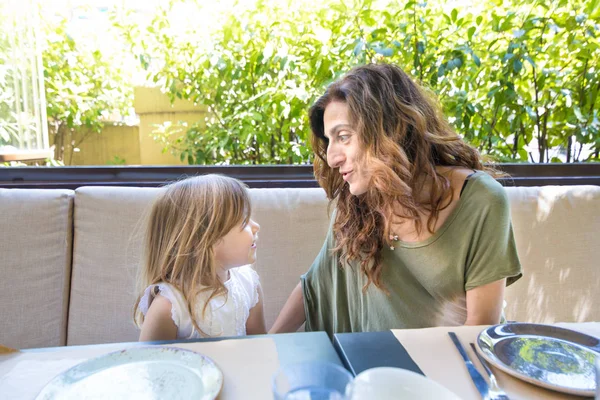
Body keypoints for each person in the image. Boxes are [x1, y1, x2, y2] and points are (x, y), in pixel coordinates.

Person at [270, 63, 522, 336]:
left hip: (453, 366)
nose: (332, 158)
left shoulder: (480, 200)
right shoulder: (356, 203)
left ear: (389, 131)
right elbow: (315, 287)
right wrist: (266, 344)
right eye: (329, 141)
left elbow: (480, 329)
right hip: (373, 368)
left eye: (343, 137)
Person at [134, 174, 266, 341]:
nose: (256, 226)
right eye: (243, 220)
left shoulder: (249, 284)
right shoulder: (170, 307)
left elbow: (260, 347)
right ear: (204, 238)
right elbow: (152, 364)